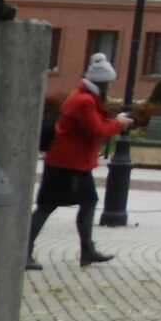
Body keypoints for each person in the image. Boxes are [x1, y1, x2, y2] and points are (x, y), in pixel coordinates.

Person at [28, 55, 129, 270]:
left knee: (88, 201)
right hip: (66, 163)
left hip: (74, 162)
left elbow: (97, 125)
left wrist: (112, 121)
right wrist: (119, 123)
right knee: (47, 206)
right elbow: (97, 130)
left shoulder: (86, 98)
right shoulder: (83, 101)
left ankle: (87, 250)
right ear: (101, 83)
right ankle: (24, 251)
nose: (109, 87)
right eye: (108, 84)